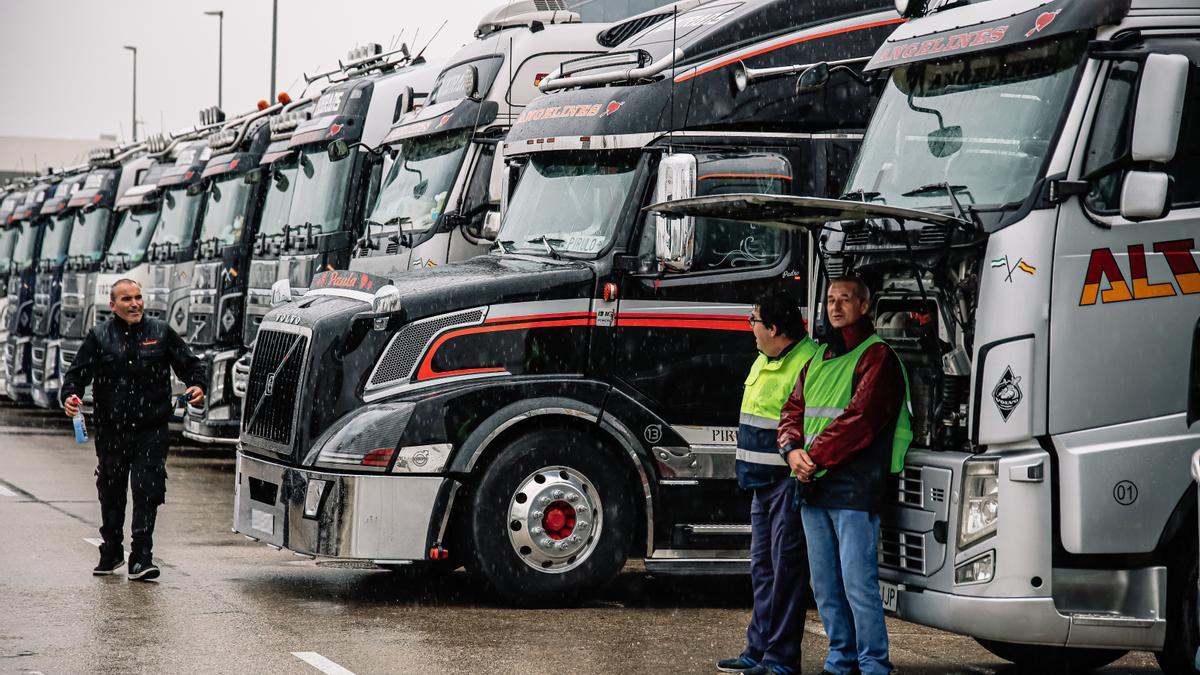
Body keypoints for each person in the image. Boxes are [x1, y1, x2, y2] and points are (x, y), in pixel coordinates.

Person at [777, 276, 911, 675]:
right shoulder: (816, 358)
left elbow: (861, 420)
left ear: (865, 306)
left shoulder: (879, 357)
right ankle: (841, 659)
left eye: (846, 299)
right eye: (831, 300)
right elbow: (791, 411)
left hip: (852, 488)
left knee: (858, 585)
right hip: (814, 486)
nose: (835, 307)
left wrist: (808, 458)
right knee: (826, 587)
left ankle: (872, 664)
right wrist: (790, 450)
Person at [61, 278, 206, 581]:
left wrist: (197, 386)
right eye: (126, 299)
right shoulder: (99, 337)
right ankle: (111, 549)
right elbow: (75, 376)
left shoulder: (161, 332)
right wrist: (69, 397)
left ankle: (141, 558)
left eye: (138, 297)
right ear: (112, 305)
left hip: (151, 430)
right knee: (111, 493)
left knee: (146, 490)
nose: (135, 304)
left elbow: (191, 366)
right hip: (112, 432)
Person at [718, 290, 819, 675]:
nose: (751, 329)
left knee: (786, 576)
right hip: (761, 484)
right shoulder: (766, 358)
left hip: (787, 484)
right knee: (763, 570)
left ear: (775, 328)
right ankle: (757, 650)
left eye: (755, 321)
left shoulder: (808, 362)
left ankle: (780, 660)